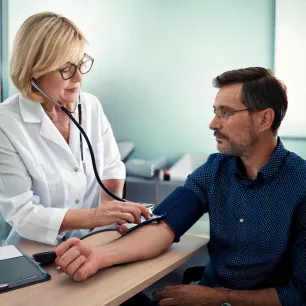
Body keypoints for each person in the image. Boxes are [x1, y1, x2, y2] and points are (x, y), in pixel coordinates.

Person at [55, 67, 306, 305]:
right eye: (215, 111)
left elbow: (299, 296)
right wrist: (100, 256)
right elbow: (164, 225)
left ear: (264, 119)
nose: (213, 123)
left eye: (225, 113)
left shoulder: (300, 185)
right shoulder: (216, 169)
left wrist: (216, 298)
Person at [0, 12, 150, 246]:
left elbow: (111, 166)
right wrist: (96, 218)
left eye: (81, 64)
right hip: (35, 249)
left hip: (93, 241)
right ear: (35, 70)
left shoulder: (90, 106)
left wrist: (110, 216)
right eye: (66, 69)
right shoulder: (6, 123)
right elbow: (22, 213)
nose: (79, 77)